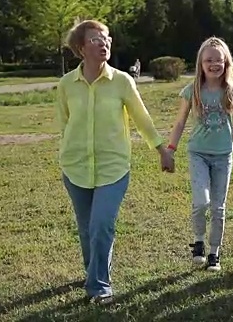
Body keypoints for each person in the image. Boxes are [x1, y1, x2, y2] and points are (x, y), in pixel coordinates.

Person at [56, 19, 174, 304]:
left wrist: (162, 149)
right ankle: (93, 270)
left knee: (101, 225)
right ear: (81, 47)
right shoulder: (66, 84)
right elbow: (65, 124)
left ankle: (99, 286)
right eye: (95, 39)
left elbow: (142, 118)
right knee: (86, 229)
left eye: (106, 38)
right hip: (76, 168)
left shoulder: (122, 81)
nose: (103, 43)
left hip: (113, 168)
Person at [166, 36, 233, 271]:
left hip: (223, 156)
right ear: (201, 63)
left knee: (218, 206)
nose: (214, 64)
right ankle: (198, 241)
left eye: (219, 60)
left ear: (226, 62)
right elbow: (179, 123)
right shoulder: (193, 90)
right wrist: (170, 150)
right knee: (201, 202)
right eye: (209, 60)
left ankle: (214, 252)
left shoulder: (232, 90)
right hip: (198, 154)